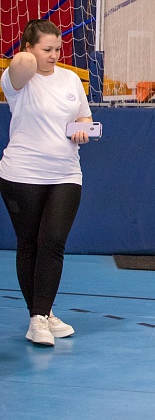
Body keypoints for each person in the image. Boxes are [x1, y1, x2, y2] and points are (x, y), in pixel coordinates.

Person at [0, 19, 94, 347]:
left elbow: (83, 115)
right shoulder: (18, 80)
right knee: (29, 244)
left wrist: (83, 128)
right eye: (47, 49)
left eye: (58, 49)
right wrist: (28, 51)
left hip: (66, 174)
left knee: (53, 242)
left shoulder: (70, 79)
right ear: (29, 48)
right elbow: (21, 63)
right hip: (21, 175)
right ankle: (40, 316)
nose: (54, 55)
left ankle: (40, 315)